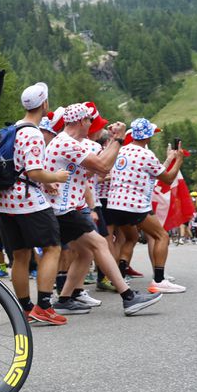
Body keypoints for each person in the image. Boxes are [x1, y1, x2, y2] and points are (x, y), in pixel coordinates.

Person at [44, 103, 162, 316]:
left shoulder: (69, 142)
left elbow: (93, 168)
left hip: (65, 207)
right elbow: (103, 166)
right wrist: (118, 139)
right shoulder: (66, 143)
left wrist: (112, 143)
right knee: (99, 244)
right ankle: (128, 297)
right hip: (63, 208)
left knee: (86, 251)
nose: (91, 124)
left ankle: (64, 299)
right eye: (89, 120)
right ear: (81, 121)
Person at [0, 82, 72, 325]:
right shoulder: (35, 133)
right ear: (45, 104)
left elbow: (20, 168)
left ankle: (25, 308)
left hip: (4, 204)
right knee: (52, 248)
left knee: (19, 255)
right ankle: (45, 306)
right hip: (28, 202)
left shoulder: (12, 129)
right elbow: (35, 172)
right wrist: (56, 177)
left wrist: (44, 181)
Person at [105, 118, 185, 294]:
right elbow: (168, 178)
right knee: (161, 236)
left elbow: (153, 174)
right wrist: (178, 160)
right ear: (148, 136)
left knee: (130, 238)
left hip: (114, 204)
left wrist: (169, 159)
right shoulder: (146, 154)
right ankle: (159, 280)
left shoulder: (121, 150)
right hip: (135, 204)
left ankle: (119, 275)